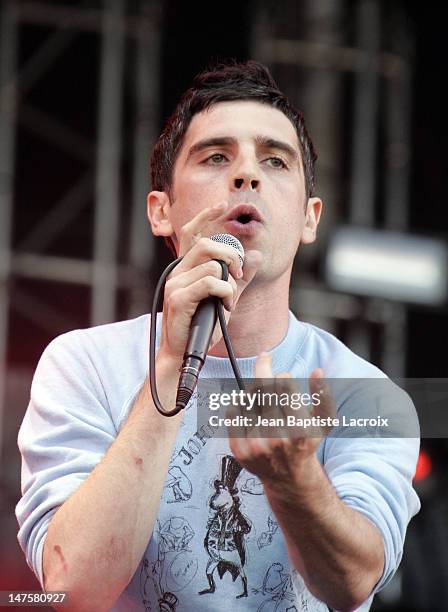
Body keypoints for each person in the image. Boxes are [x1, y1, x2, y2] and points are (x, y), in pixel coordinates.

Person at [16, 60, 420, 612]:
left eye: (275, 160)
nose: (247, 175)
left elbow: (354, 582)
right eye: (216, 157)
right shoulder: (81, 364)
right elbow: (69, 591)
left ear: (309, 219)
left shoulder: (364, 392)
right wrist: (170, 368)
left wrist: (296, 480)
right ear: (161, 212)